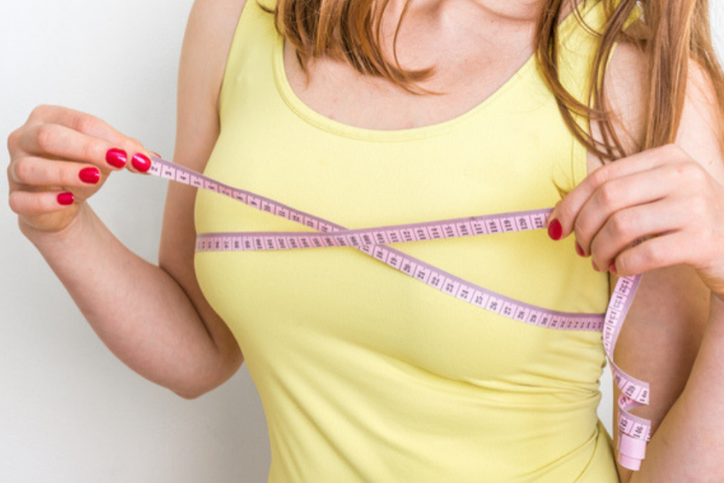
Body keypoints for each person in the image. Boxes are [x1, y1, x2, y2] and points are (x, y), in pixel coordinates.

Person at [6, 0, 724, 480]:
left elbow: (664, 464)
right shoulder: (242, 18)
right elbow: (199, 348)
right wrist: (60, 224)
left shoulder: (629, 79)